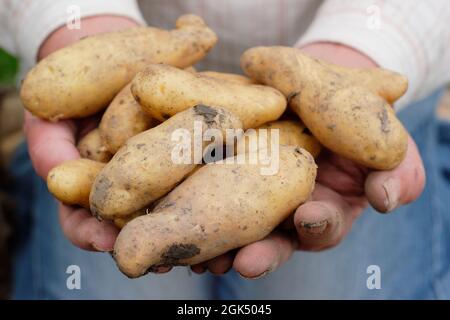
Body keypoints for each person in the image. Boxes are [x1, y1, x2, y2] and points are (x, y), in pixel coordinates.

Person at [1, 0, 449, 299]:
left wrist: (367, 49)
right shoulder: (182, 102)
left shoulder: (272, 98)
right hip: (141, 34)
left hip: (362, 45)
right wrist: (68, 19)